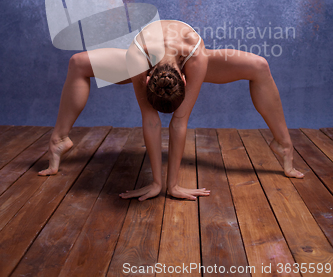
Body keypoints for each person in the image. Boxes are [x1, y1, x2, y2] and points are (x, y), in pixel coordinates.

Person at [38, 20, 304, 200]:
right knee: (78, 63)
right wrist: (158, 183)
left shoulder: (197, 58)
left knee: (259, 66)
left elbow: (179, 120)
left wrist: (172, 185)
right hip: (143, 55)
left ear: (185, 80)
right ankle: (59, 140)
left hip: (188, 54)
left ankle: (283, 145)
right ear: (146, 80)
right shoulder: (136, 58)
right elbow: (151, 119)